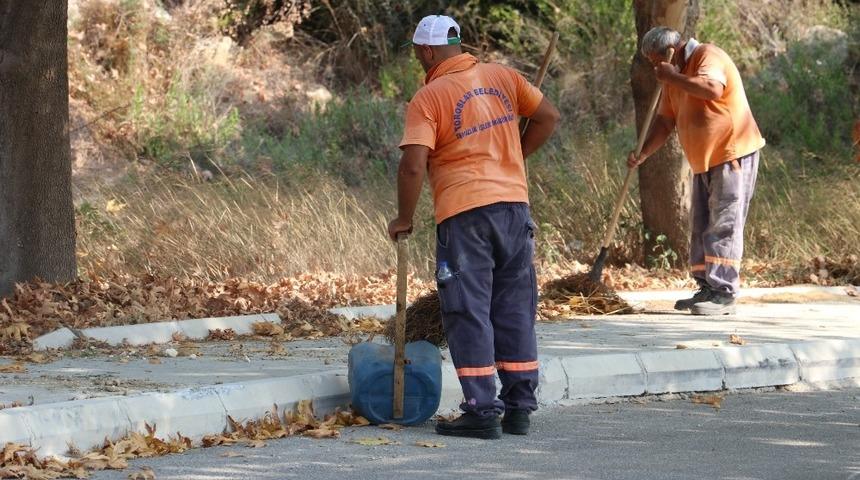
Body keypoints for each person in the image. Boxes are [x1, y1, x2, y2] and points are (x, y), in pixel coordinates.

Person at [387, 14, 560, 439]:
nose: (418, 62)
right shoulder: (503, 76)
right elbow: (548, 117)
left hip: (466, 216)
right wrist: (516, 156)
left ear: (427, 51)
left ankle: (482, 411)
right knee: (514, 309)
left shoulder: (429, 97)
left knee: (469, 311)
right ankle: (519, 407)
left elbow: (413, 166)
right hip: (514, 210)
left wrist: (403, 218)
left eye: (417, 55)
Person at [628, 26, 766, 316]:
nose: (656, 67)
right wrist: (643, 154)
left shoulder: (707, 55)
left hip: (731, 151)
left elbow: (712, 88)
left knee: (724, 221)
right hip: (703, 160)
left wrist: (672, 77)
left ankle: (723, 292)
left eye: (656, 60)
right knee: (702, 224)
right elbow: (665, 122)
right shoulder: (673, 76)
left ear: (671, 50)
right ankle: (706, 286)